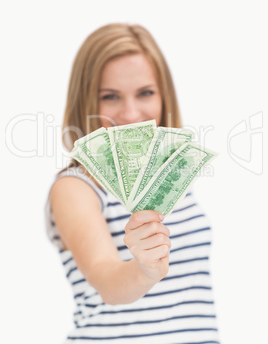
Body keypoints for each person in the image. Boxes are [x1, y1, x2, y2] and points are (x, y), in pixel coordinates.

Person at [45, 23, 220, 343]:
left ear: (164, 96)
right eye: (110, 96)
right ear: (86, 102)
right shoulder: (75, 187)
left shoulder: (172, 179)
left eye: (145, 93)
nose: (130, 113)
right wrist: (145, 270)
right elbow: (108, 282)